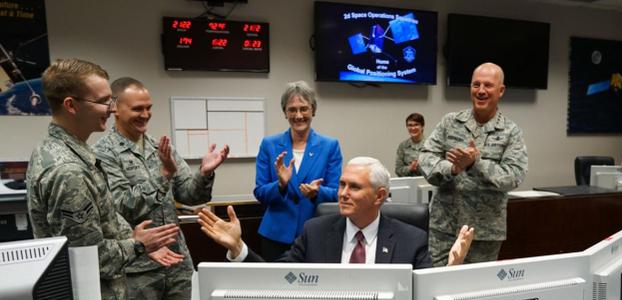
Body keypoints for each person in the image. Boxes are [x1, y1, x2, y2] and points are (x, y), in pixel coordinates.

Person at [26, 59, 182, 300]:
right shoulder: (68, 171)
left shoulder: (68, 151)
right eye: (103, 101)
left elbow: (105, 219)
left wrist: (136, 237)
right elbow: (89, 258)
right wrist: (139, 245)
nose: (111, 109)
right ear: (71, 104)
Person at [93, 77, 229, 300]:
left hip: (177, 259)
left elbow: (191, 195)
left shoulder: (159, 146)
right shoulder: (104, 154)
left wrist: (205, 173)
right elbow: (123, 206)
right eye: (137, 108)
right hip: (137, 266)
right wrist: (163, 177)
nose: (145, 114)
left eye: (149, 107)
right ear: (115, 108)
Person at [199, 157, 474, 268]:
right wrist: (239, 249)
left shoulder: (410, 238)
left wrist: (452, 269)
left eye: (354, 187)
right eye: (341, 185)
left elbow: (425, 295)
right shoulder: (315, 232)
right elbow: (276, 278)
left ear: (380, 196)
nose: (342, 193)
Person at [419, 62, 528, 266]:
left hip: (484, 234)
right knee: (435, 286)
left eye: (488, 85)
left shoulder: (511, 132)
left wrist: (475, 164)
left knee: (474, 292)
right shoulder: (450, 122)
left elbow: (513, 176)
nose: (481, 91)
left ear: (501, 90)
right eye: (476, 85)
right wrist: (452, 168)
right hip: (444, 228)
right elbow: (426, 158)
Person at [254, 80, 342, 260]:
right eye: (292, 109)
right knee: (275, 286)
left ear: (313, 110)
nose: (298, 115)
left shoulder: (330, 146)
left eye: (304, 108)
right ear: (285, 112)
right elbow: (260, 192)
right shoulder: (269, 145)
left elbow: (337, 193)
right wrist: (280, 185)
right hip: (275, 236)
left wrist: (317, 192)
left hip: (316, 234)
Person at [395, 112, 426, 177]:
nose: (413, 128)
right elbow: (398, 170)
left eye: (416, 124)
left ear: (422, 126)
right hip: (409, 184)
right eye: (410, 125)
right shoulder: (403, 146)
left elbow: (436, 169)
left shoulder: (431, 145)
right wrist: (410, 168)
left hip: (427, 183)